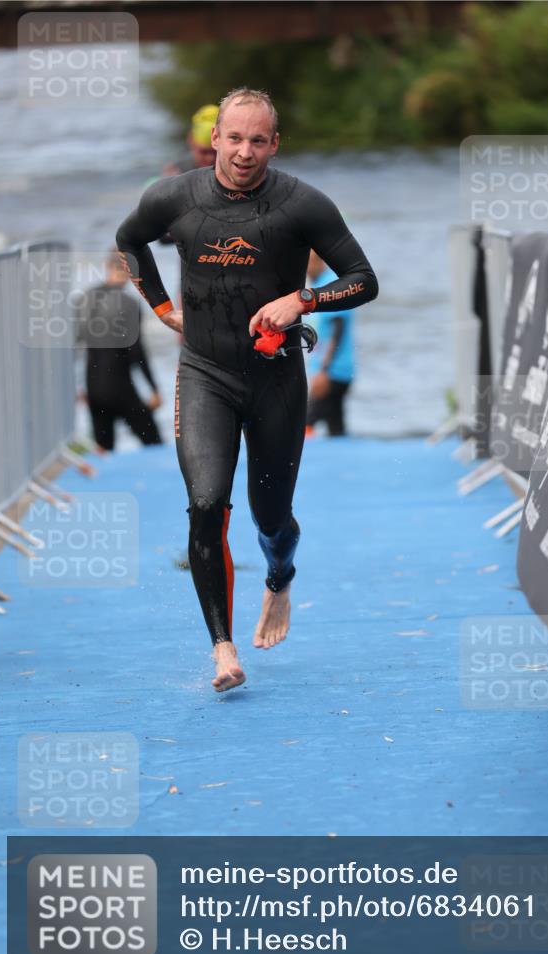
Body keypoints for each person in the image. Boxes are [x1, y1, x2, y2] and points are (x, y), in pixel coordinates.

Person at [116, 87, 378, 693]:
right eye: (234, 138)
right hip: (203, 374)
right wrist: (161, 307)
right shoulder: (174, 197)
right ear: (214, 139)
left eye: (258, 140)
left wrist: (302, 299)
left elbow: (363, 279)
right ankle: (223, 648)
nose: (244, 152)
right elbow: (129, 240)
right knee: (207, 503)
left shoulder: (302, 204)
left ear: (274, 144)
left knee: (271, 515)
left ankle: (279, 578)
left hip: (275, 379)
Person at [76, 250, 163, 452]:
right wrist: (154, 388)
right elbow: (137, 352)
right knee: (154, 443)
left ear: (107, 267)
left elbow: (75, 344)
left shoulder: (85, 299)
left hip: (93, 388)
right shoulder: (129, 303)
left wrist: (76, 386)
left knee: (104, 450)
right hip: (121, 388)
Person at [305, 249, 356, 436]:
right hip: (333, 370)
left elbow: (338, 329)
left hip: (332, 372)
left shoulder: (330, 286)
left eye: (309, 263)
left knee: (305, 423)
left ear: (321, 262)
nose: (306, 268)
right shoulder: (318, 284)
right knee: (336, 428)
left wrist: (324, 371)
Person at [163, 104, 219, 176]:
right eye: (204, 152)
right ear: (190, 140)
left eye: (216, 152)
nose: (211, 158)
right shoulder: (176, 171)